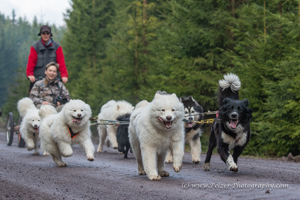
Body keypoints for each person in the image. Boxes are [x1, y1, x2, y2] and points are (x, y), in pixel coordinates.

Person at [26, 25, 68, 92]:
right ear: (41, 34)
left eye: (47, 33)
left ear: (50, 34)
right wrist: (30, 74)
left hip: (53, 81)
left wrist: (64, 75)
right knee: (33, 100)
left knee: (56, 100)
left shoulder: (57, 47)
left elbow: (61, 63)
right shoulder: (35, 47)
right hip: (37, 80)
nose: (45, 35)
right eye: (43, 33)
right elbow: (31, 62)